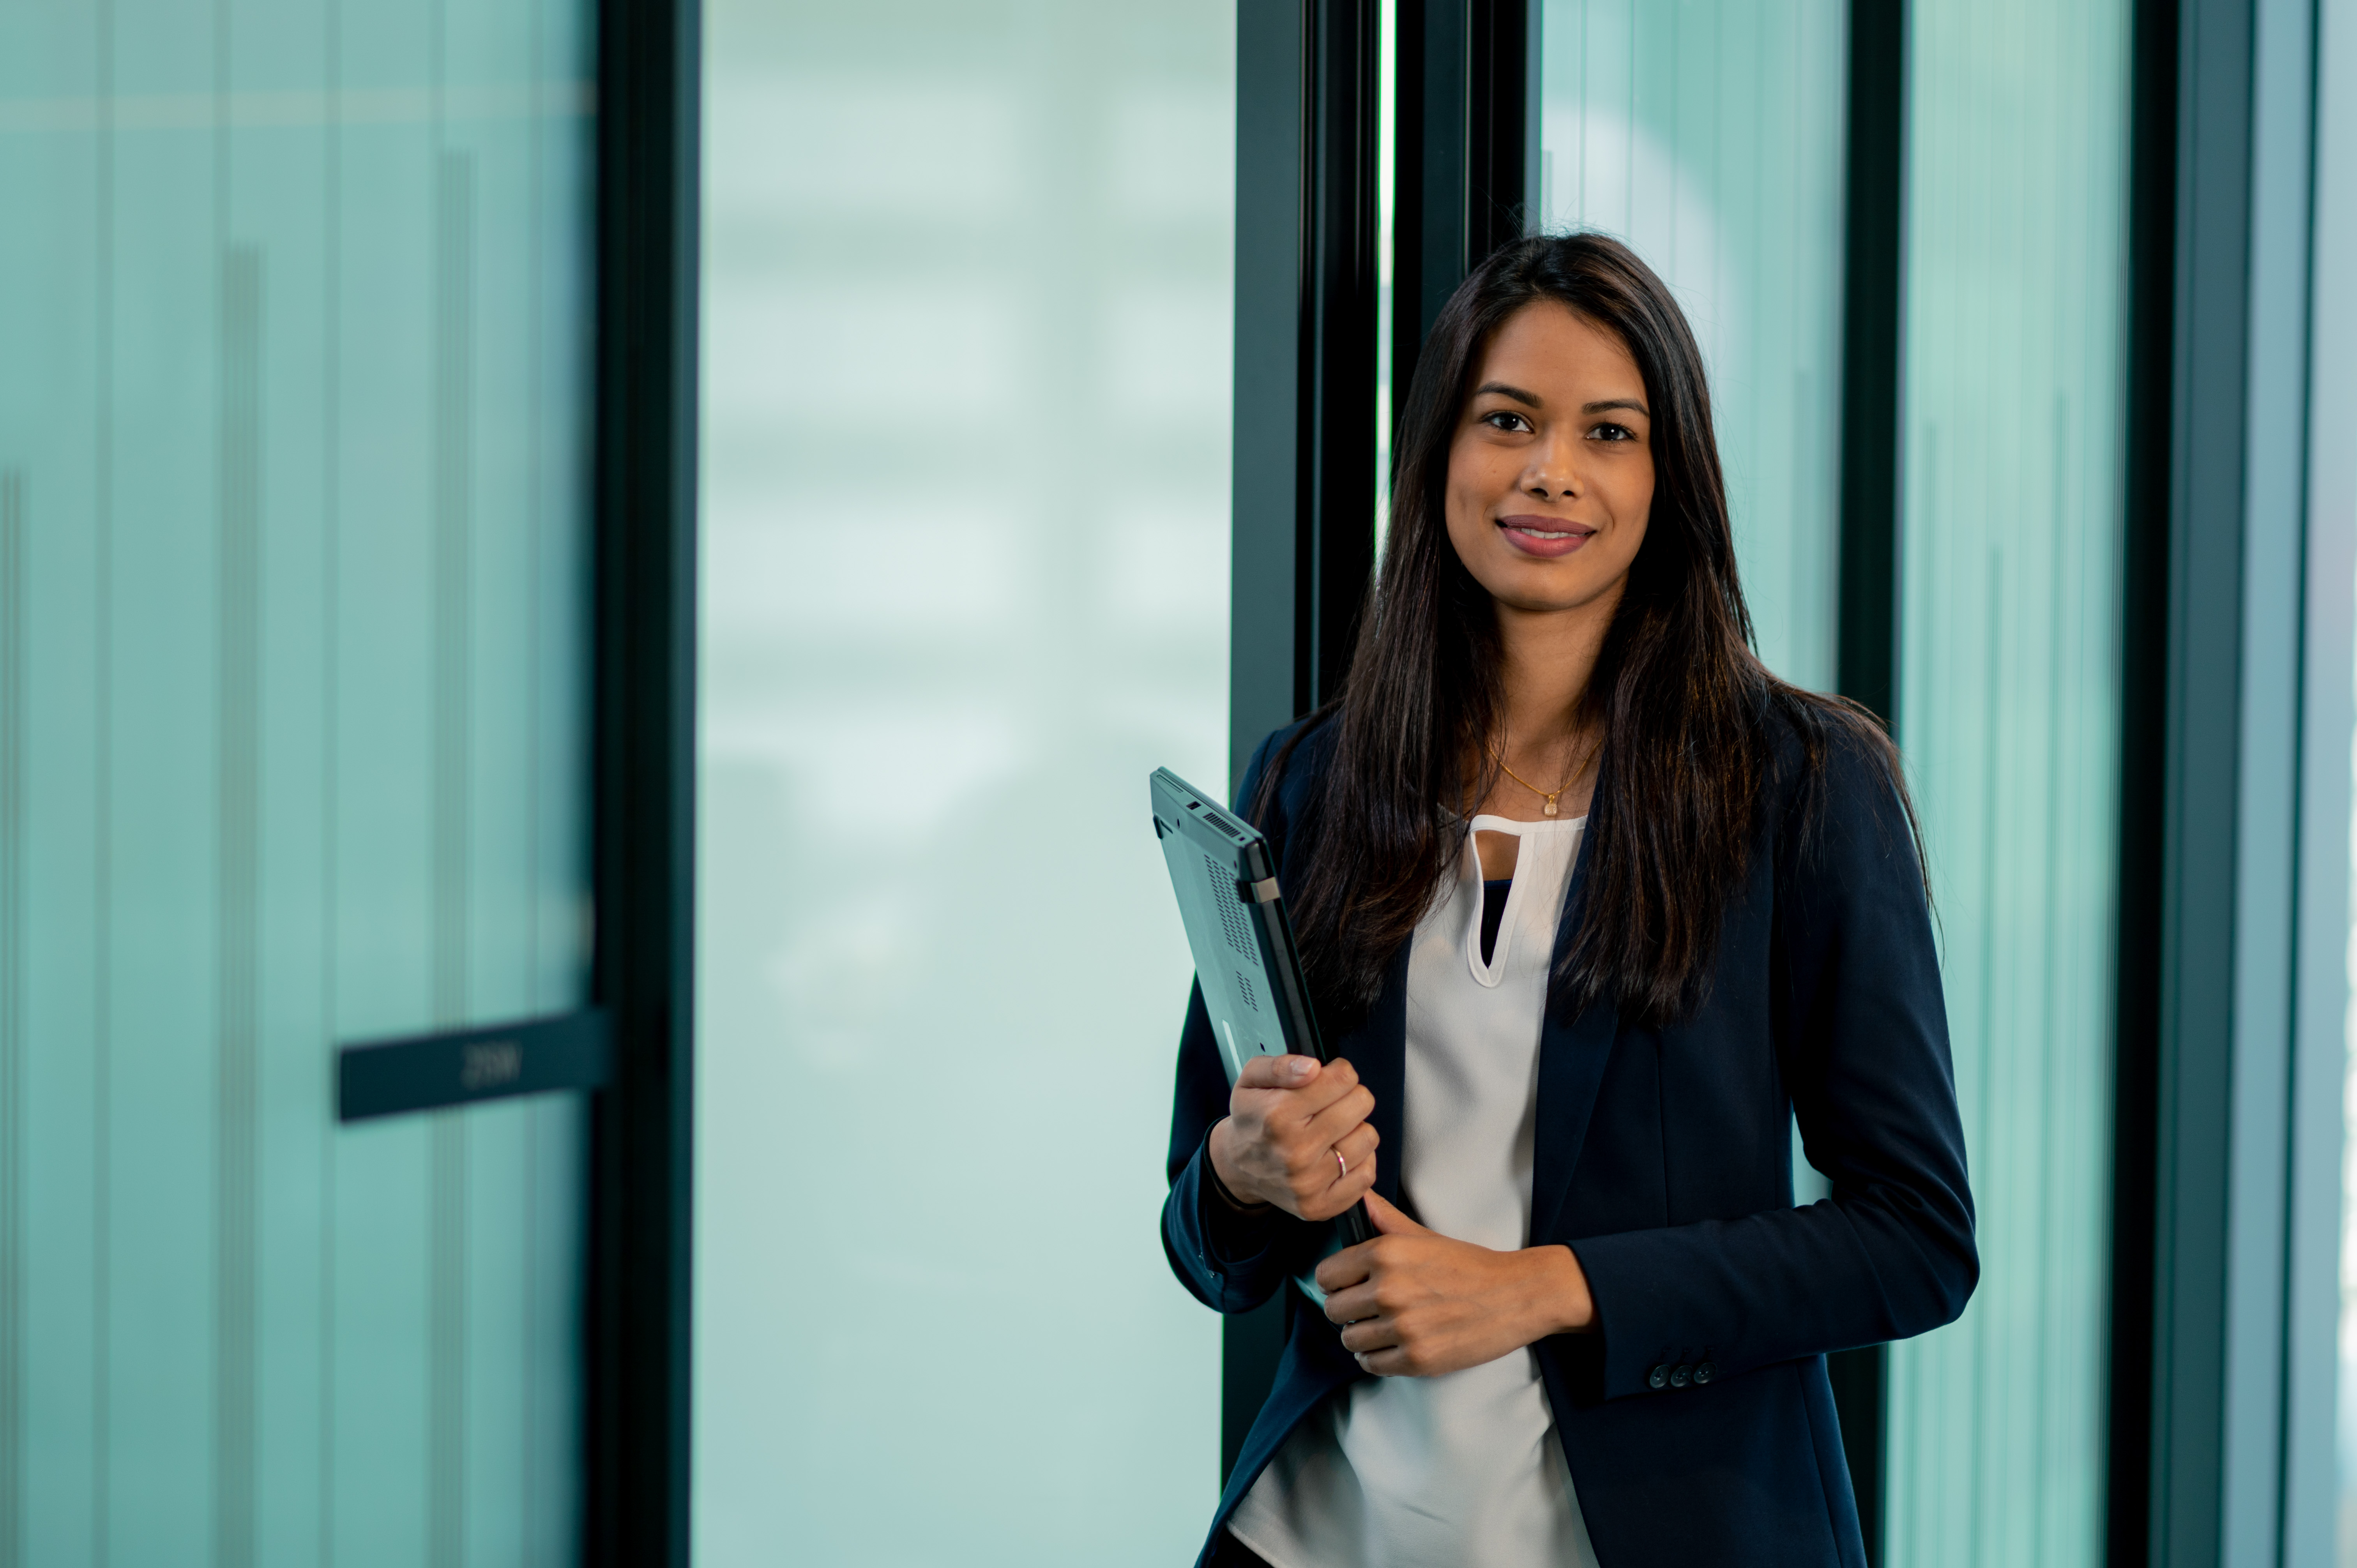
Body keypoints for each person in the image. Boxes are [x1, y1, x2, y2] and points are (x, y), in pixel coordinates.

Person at [1159, 233, 1976, 1568]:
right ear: (1441, 454)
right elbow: (1208, 1242)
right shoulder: (1316, 777)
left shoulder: (1806, 788)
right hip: (1319, 1533)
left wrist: (1540, 1292)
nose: (1551, 470)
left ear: (1671, 479)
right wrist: (1245, 1180)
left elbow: (1918, 1239)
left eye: (1609, 431)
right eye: (1508, 421)